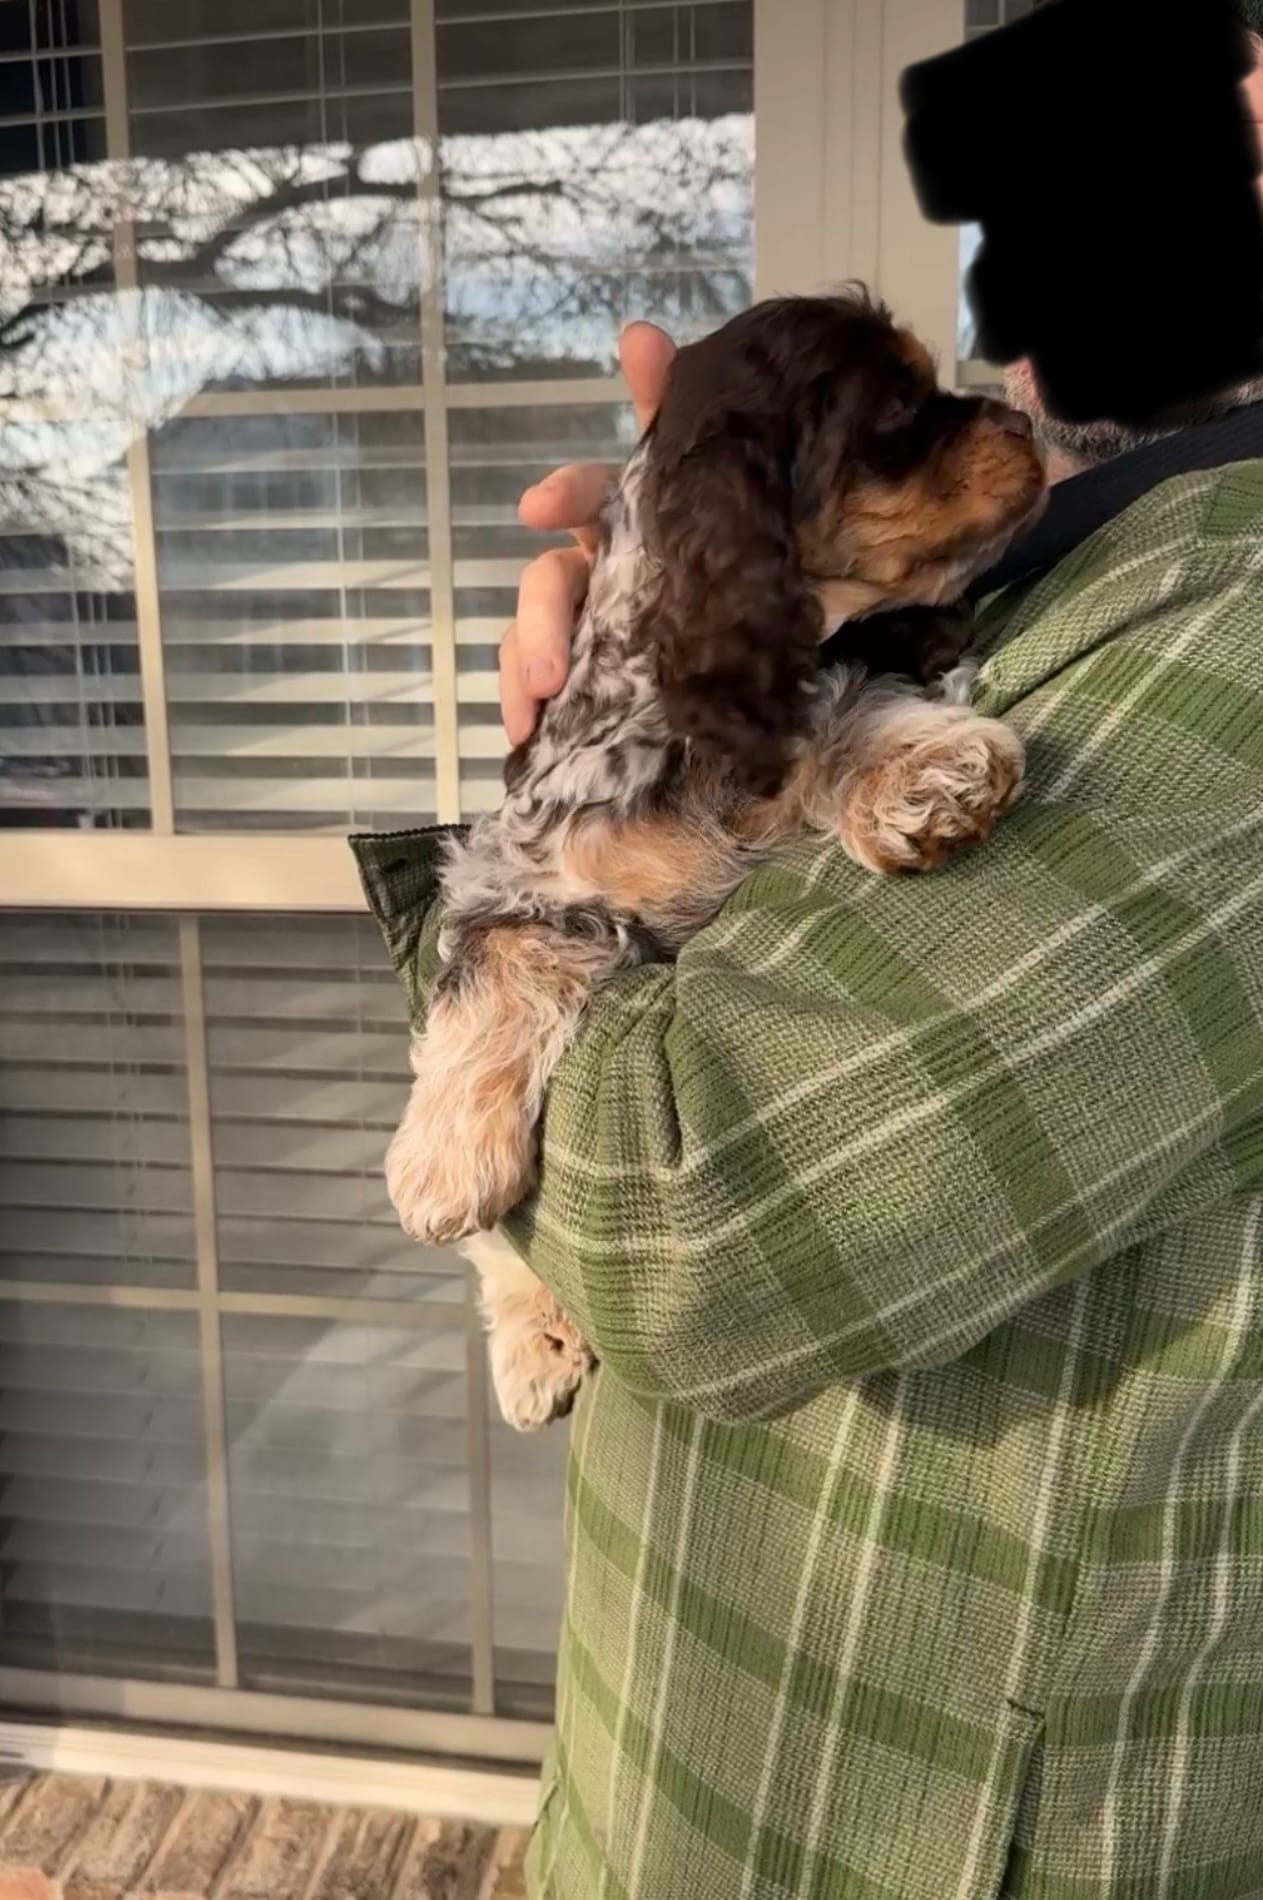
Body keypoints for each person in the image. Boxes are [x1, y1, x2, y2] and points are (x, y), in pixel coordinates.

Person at [356, 23, 1263, 1900]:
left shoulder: (1227, 607)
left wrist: (499, 942)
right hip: (649, 1771)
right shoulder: (1087, 541)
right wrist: (600, 717)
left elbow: (688, 1216)